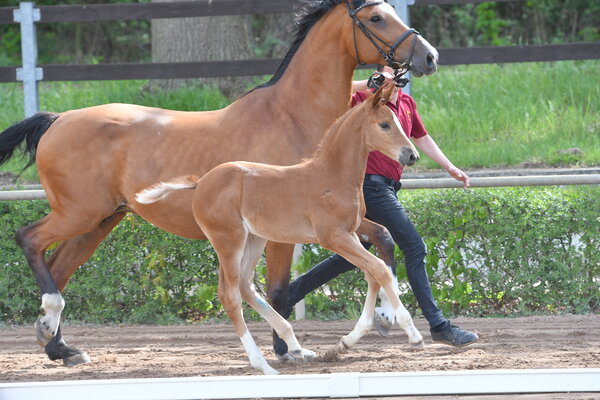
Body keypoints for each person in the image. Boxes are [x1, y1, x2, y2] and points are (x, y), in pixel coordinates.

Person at [284, 66, 478, 347]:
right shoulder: (364, 103)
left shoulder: (407, 104)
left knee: (350, 254)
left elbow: (421, 137)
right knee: (414, 247)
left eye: (398, 75)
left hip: (388, 187)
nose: (393, 80)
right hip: (369, 187)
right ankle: (438, 325)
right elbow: (334, 91)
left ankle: (287, 297)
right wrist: (369, 83)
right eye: (387, 73)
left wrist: (450, 167)